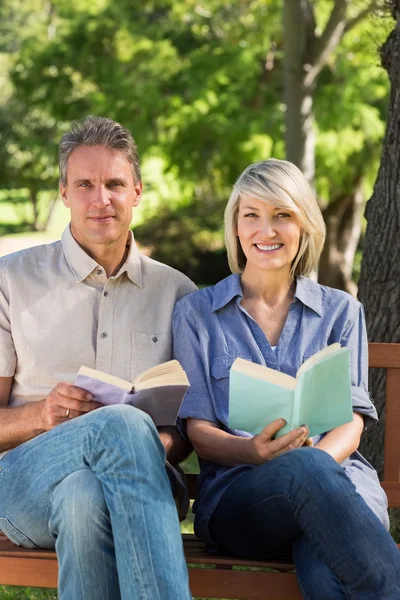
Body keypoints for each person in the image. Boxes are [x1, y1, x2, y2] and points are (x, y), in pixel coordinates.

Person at [172, 159, 400, 599]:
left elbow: (351, 423)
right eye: (251, 215)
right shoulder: (197, 314)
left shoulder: (341, 312)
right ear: (236, 227)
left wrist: (314, 470)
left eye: (282, 215)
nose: (266, 230)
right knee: (314, 490)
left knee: (323, 557)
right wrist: (253, 452)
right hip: (242, 499)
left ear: (305, 225)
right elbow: (198, 431)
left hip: (339, 482)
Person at [0, 116, 196, 600]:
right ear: (64, 192)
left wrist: (159, 443)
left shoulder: (178, 294)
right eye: (85, 184)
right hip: (25, 482)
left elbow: (192, 427)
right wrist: (41, 416)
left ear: (137, 192)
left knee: (85, 496)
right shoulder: (10, 280)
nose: (100, 198)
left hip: (139, 483)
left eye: (114, 184)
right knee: (121, 425)